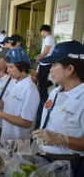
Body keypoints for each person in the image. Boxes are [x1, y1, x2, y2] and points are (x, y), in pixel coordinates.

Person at [32, 41, 84, 177]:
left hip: (67, 166)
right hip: (44, 158)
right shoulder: (55, 91)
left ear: (70, 69)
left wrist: (62, 139)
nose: (50, 69)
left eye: (54, 65)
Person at [0, 47, 39, 140]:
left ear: (22, 67)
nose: (8, 70)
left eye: (11, 67)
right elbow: (3, 103)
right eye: (7, 66)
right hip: (6, 135)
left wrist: (1, 115)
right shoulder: (13, 82)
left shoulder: (30, 90)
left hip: (18, 140)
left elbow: (26, 123)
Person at [36, 24, 55, 103]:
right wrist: (40, 55)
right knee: (42, 81)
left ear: (43, 31)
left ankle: (43, 100)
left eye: (41, 33)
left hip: (45, 63)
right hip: (46, 62)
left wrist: (39, 58)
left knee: (42, 82)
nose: (41, 35)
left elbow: (46, 51)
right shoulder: (51, 38)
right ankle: (43, 98)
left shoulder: (48, 38)